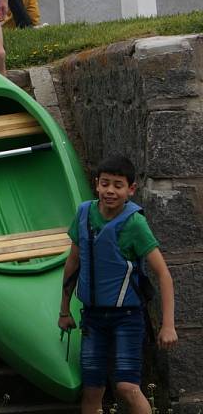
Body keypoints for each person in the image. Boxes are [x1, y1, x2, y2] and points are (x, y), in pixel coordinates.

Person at [58, 155, 177, 414]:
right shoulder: (83, 213)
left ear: (130, 190)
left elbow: (163, 274)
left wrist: (168, 325)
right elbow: (72, 265)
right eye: (105, 184)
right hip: (92, 317)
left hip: (127, 316)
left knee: (127, 387)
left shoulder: (135, 224)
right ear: (97, 184)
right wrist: (64, 311)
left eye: (118, 185)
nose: (110, 190)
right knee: (92, 390)